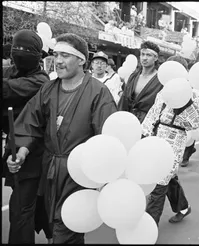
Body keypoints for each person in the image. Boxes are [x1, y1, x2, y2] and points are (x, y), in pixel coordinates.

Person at [6, 33, 117, 244]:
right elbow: (31, 122)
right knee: (52, 225)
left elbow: (107, 140)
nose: (57, 61)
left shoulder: (98, 93)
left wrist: (103, 179)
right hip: (49, 171)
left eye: (65, 55)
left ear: (82, 60)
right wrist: (21, 151)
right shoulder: (49, 88)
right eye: (56, 54)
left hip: (78, 174)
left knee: (67, 229)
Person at [2, 29, 52, 244]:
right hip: (11, 148)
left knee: (21, 209)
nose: (19, 53)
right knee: (29, 202)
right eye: (16, 49)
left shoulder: (41, 80)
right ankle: (53, 233)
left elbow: (8, 90)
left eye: (26, 50)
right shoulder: (9, 71)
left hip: (32, 151)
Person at [141, 55, 199, 226]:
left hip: (174, 142)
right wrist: (143, 134)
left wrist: (183, 103)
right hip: (155, 138)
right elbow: (153, 113)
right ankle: (183, 207)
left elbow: (195, 123)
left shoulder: (192, 95)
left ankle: (149, 224)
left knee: (159, 182)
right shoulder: (162, 91)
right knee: (169, 177)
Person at [117, 41, 163, 123]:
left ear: (155, 58)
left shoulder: (160, 80)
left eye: (148, 55)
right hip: (127, 120)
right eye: (142, 54)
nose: (144, 58)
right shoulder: (133, 77)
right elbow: (123, 101)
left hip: (147, 123)